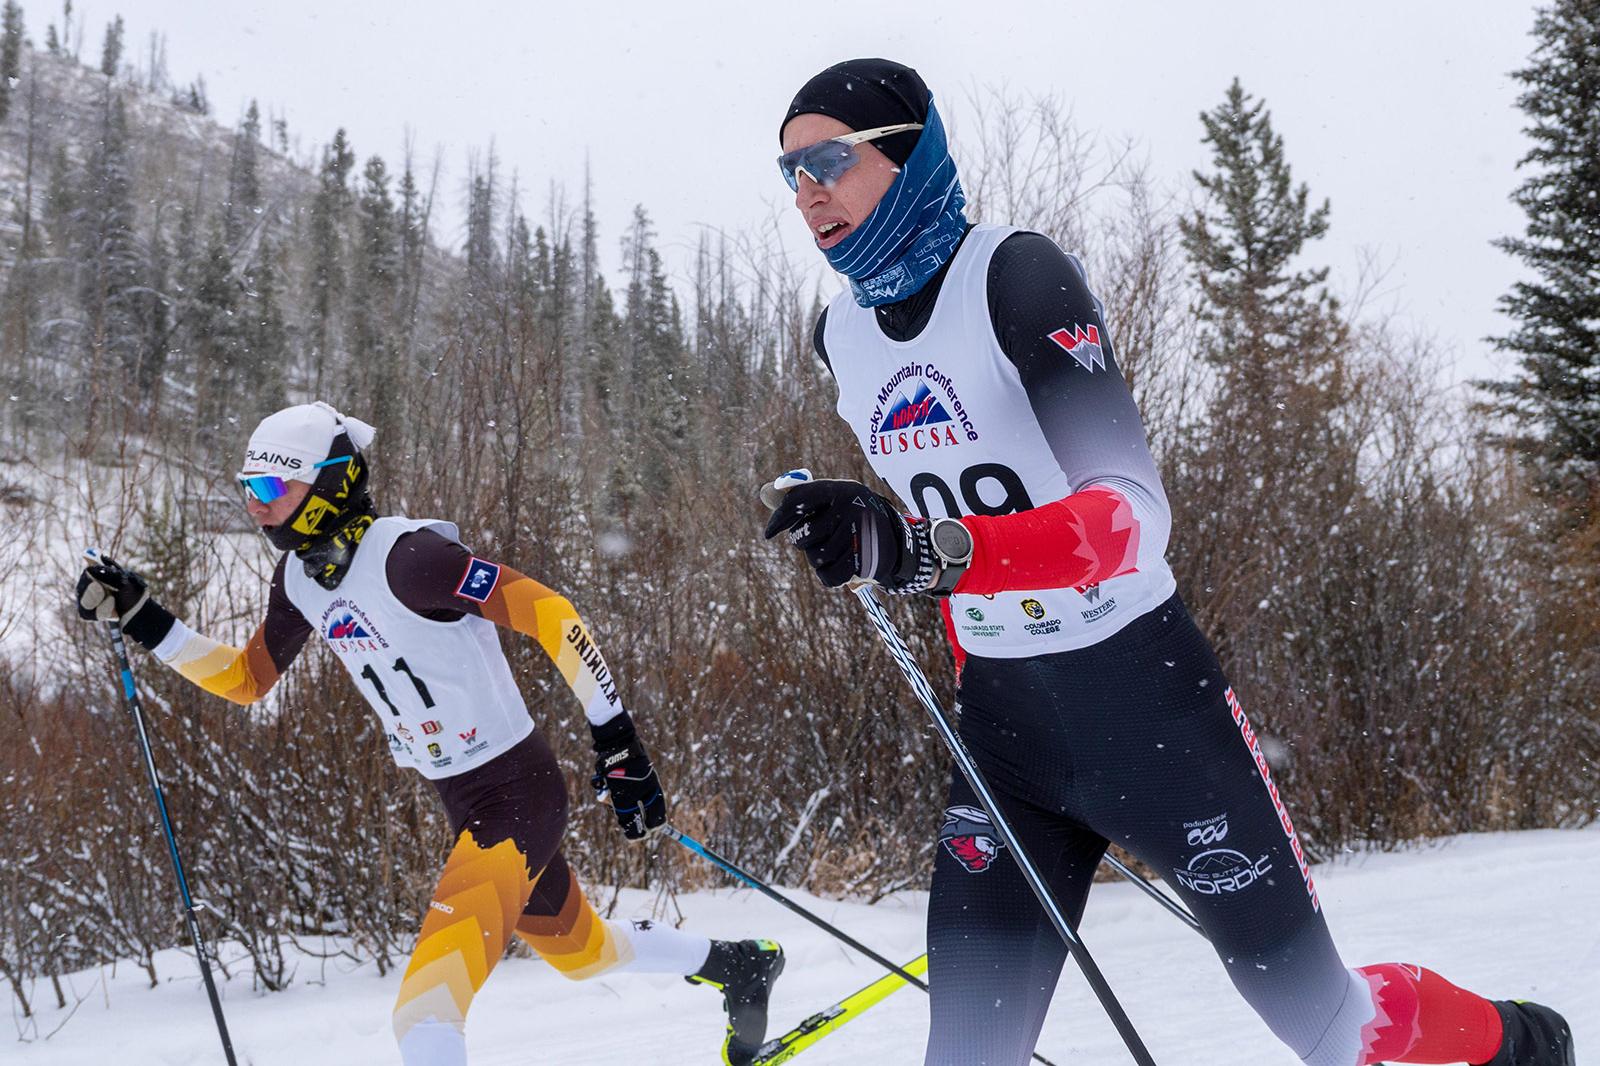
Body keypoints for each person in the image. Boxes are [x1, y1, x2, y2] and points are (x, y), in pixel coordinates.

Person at [763, 58, 1574, 1066]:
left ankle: (1518, 1042)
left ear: (909, 155)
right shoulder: (839, 335)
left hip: (1147, 709)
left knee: (1331, 1025)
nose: (805, 191)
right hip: (1006, 735)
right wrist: (859, 537)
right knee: (966, 1052)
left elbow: (1128, 518)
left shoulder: (1013, 275)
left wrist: (921, 547)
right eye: (788, 170)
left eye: (829, 160)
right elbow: (952, 510)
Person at [75, 401, 784, 1066]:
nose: (256, 504)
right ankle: (739, 965)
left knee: (425, 1012)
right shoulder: (299, 579)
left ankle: (735, 964)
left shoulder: (410, 558)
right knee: (581, 950)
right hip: (464, 800)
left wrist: (616, 737)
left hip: (515, 795)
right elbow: (244, 679)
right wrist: (145, 620)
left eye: (269, 486)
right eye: (248, 487)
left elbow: (550, 613)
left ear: (328, 484)